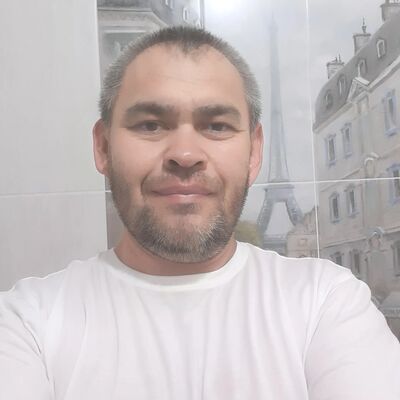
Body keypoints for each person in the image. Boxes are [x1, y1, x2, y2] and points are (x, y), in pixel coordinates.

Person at [0, 26, 399, 400]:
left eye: (217, 126)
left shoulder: (327, 300)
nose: (185, 154)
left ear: (254, 152)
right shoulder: (25, 322)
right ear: (103, 147)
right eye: (151, 125)